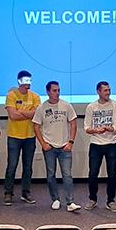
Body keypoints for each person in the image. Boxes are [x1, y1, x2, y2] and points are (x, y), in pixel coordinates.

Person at [33, 81, 80, 212]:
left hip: (65, 146)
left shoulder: (66, 105)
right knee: (51, 175)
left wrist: (71, 142)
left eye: (58, 90)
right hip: (49, 147)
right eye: (54, 90)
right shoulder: (41, 108)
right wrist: (43, 144)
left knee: (67, 175)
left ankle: (70, 202)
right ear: (48, 92)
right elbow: (36, 127)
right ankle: (55, 199)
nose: (57, 93)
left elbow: (73, 124)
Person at [84, 81, 116, 213]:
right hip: (96, 144)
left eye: (109, 90)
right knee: (93, 173)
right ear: (98, 91)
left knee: (112, 174)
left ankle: (111, 200)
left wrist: (109, 128)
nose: (108, 92)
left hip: (112, 144)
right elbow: (87, 128)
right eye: (105, 90)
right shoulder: (91, 107)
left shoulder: (115, 105)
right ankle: (92, 199)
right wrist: (96, 130)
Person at [3, 70, 41, 206]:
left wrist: (20, 112)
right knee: (12, 166)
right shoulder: (11, 95)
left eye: (30, 80)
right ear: (19, 81)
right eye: (25, 80)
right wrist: (28, 113)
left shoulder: (35, 97)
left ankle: (26, 192)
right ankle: (8, 193)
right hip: (14, 136)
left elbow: (36, 114)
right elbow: (13, 116)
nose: (28, 83)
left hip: (30, 136)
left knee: (28, 167)